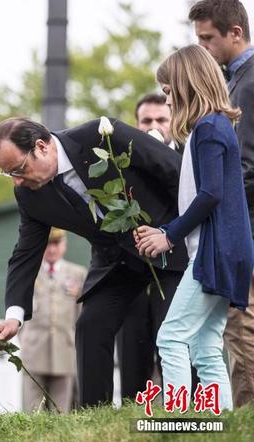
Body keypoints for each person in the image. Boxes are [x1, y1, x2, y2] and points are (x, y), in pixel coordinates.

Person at [0, 114, 188, 407]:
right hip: (116, 263)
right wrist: (14, 315)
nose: (18, 180)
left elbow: (176, 173)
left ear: (42, 147)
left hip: (167, 244)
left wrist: (173, 233)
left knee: (173, 330)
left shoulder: (102, 136)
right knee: (91, 325)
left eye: (19, 169)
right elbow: (25, 253)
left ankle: (192, 408)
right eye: (9, 174)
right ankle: (94, 416)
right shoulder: (30, 195)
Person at [136, 44, 253, 412]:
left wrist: (167, 234)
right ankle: (219, 422)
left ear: (188, 86)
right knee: (205, 344)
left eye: (170, 92)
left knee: (171, 337)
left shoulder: (209, 128)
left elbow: (209, 195)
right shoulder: (212, 127)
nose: (168, 103)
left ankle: (179, 419)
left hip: (214, 254)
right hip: (224, 251)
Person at [189, 0, 254, 408]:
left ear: (236, 33)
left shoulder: (247, 83)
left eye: (208, 39)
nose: (203, 49)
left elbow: (244, 167)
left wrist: (227, 228)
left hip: (245, 226)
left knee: (241, 325)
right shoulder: (236, 81)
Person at [116, 93, 179, 401]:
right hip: (132, 270)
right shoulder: (121, 166)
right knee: (132, 355)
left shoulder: (187, 158)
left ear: (172, 121)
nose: (154, 125)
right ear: (136, 124)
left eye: (161, 119)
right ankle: (131, 414)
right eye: (147, 120)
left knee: (177, 354)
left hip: (177, 269)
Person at [19, 228, 86, 412]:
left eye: (56, 243)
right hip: (33, 350)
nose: (52, 249)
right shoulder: (28, 272)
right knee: (32, 412)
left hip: (64, 349)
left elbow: (81, 313)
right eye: (48, 244)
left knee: (61, 411)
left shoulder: (77, 273)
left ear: (64, 244)